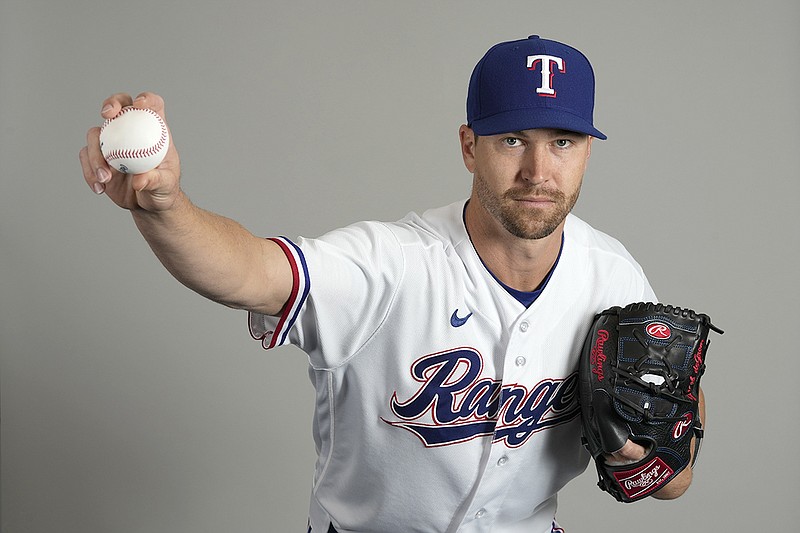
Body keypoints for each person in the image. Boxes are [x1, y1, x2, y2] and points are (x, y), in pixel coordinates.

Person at [79, 35, 702, 532]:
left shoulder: (615, 279)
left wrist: (647, 457)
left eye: (562, 142)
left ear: (587, 151)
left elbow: (674, 476)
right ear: (469, 146)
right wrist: (164, 206)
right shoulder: (390, 263)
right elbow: (248, 272)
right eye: (512, 139)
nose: (538, 170)